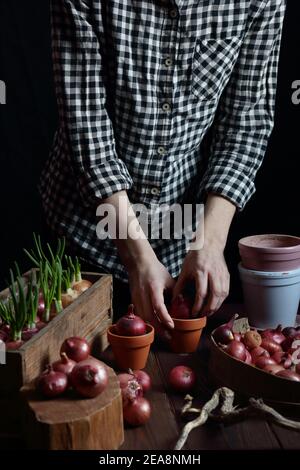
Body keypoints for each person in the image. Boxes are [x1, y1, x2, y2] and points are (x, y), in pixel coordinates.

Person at [40, 0, 286, 330]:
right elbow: (87, 127)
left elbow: (245, 125)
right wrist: (137, 257)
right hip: (81, 241)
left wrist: (210, 244)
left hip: (183, 246)